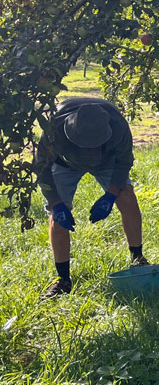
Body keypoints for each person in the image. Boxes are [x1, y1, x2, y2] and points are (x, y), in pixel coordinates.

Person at [32, 97, 147, 298]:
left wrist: (111, 195)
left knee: (127, 197)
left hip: (107, 162)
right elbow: (41, 167)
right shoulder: (54, 127)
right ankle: (63, 280)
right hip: (64, 164)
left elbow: (124, 161)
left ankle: (138, 258)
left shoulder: (118, 125)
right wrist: (56, 203)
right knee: (57, 217)